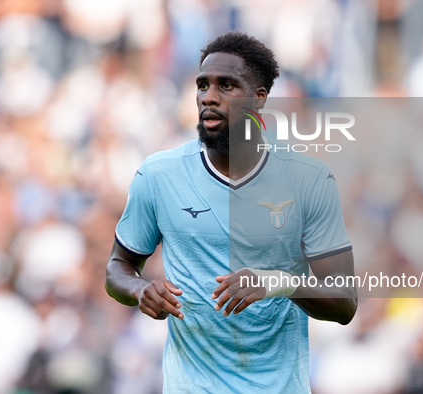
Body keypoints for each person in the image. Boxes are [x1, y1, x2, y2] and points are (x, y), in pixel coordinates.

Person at [105, 31, 357, 393]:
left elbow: (344, 302)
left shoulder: (308, 180)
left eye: (227, 86)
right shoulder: (158, 175)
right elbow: (118, 266)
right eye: (203, 85)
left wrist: (275, 282)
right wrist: (139, 289)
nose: (209, 97)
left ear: (259, 99)